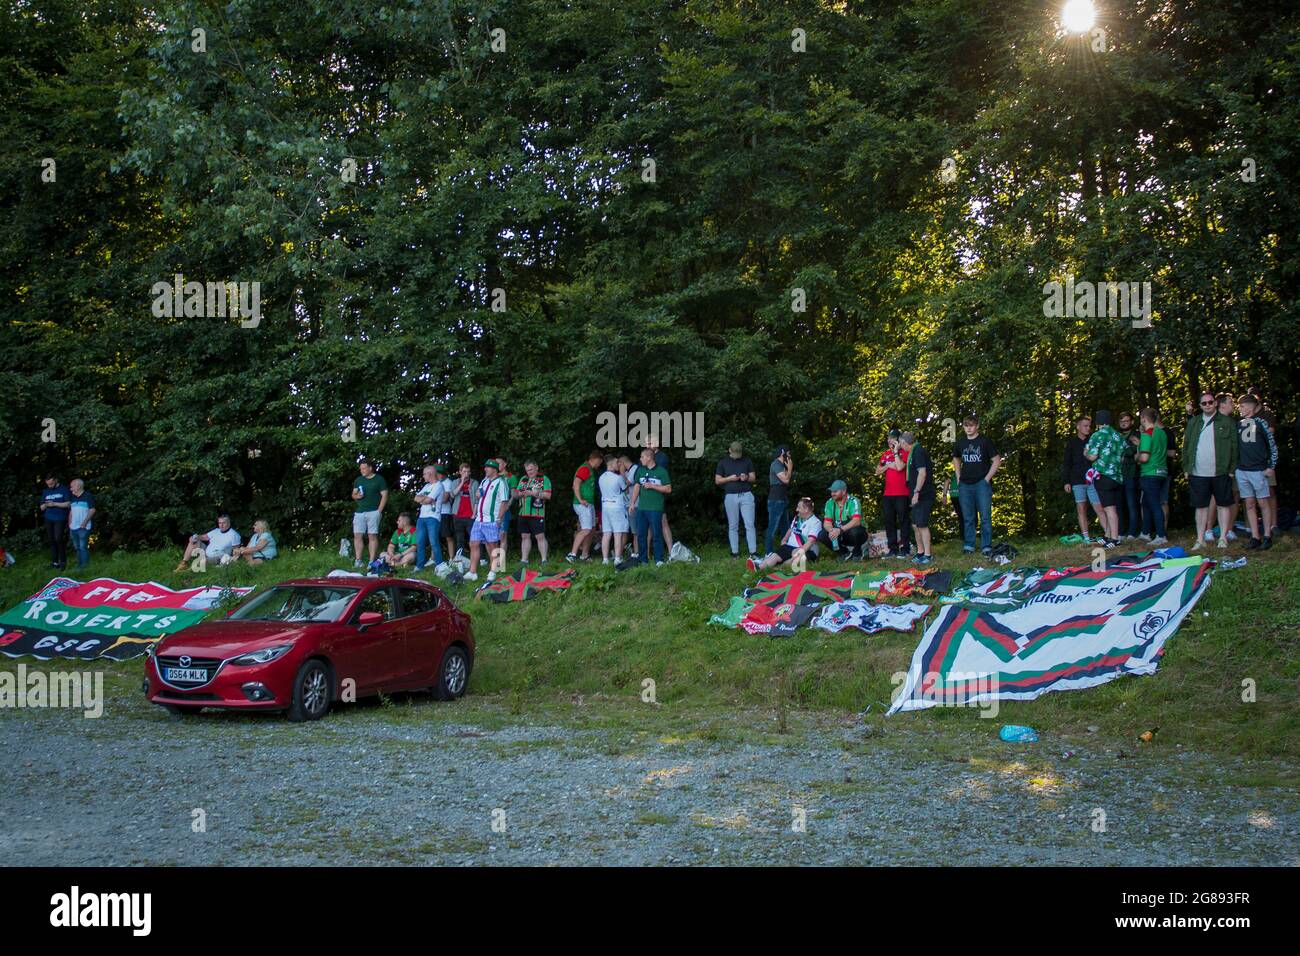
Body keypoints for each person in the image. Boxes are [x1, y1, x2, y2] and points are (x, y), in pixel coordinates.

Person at [1182, 390, 1238, 551]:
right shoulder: (1194, 422)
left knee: (1223, 504)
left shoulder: (1227, 422)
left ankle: (1223, 537)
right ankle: (1200, 539)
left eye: (1210, 402)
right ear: (1200, 406)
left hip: (1221, 471)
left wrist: (1231, 469)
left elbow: (1234, 447)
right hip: (1198, 472)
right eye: (1204, 403)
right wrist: (1186, 468)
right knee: (1200, 506)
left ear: (1215, 403)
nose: (1207, 405)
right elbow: (1186, 446)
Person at [951, 416, 1000, 555]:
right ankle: (969, 545)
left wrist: (987, 479)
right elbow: (956, 457)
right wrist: (958, 476)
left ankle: (986, 546)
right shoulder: (961, 442)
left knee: (985, 516)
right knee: (968, 517)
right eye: (966, 425)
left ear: (977, 426)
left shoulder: (985, 441)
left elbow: (996, 460)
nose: (968, 428)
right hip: (965, 484)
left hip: (981, 484)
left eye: (971, 425)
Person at [1235, 393, 1278, 550]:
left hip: (1258, 470)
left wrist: (1271, 466)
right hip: (1242, 469)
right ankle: (1255, 536)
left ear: (1251, 407)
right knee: (1249, 503)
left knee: (1263, 502)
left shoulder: (1261, 423)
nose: (1240, 409)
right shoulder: (1238, 425)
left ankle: (1267, 535)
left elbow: (1272, 446)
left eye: (1243, 406)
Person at [1083, 409, 1125, 548]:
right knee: (1110, 506)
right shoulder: (1118, 436)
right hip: (1118, 476)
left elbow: (1093, 456)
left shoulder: (1098, 435)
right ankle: (1107, 535)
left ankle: (1114, 538)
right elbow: (1123, 456)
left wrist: (1086, 453)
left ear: (1098, 422)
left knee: (1109, 508)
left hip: (1104, 475)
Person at [465, 459, 510, 581]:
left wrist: (499, 519)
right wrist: (478, 494)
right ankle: (472, 572)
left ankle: (493, 570)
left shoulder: (501, 482)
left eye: (488, 467)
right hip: (479, 519)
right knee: (473, 543)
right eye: (485, 467)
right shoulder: (484, 481)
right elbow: (479, 494)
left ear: (494, 469)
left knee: (492, 546)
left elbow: (504, 502)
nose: (485, 469)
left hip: (491, 520)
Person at [749, 497, 821, 572]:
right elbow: (790, 529)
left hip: (806, 550)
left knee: (795, 555)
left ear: (806, 509)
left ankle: (778, 569)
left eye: (799, 507)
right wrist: (784, 540)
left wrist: (793, 558)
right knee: (774, 556)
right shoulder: (797, 518)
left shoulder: (815, 522)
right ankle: (759, 568)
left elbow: (810, 542)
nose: (796, 509)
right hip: (789, 546)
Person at [1062, 416, 1104, 542]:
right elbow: (1066, 463)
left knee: (1099, 508)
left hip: (1092, 480)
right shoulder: (1071, 443)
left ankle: (1109, 534)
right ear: (1078, 427)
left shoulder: (1093, 440)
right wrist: (1066, 481)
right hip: (1076, 480)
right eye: (1085, 426)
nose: (1088, 428)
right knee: (1081, 508)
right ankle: (1086, 537)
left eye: (1089, 426)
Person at [1246, 387, 1280, 536]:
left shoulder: (1266, 414)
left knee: (1270, 492)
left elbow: (1270, 433)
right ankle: (1250, 527)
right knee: (1249, 497)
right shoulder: (1244, 417)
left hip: (1265, 461)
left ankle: (1273, 525)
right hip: (1249, 463)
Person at [716, 441, 758, 561]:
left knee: (749, 524)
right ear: (729, 450)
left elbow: (753, 478)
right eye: (735, 453)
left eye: (738, 453)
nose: (737, 455)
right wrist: (729, 478)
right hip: (730, 496)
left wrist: (746, 477)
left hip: (746, 495)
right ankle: (735, 553)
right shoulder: (723, 462)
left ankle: (753, 552)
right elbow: (717, 481)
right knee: (733, 525)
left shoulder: (747, 460)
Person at [629, 448, 672, 566]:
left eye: (642, 457)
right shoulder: (640, 471)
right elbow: (637, 486)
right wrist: (632, 503)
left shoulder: (661, 471)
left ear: (649, 458)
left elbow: (668, 488)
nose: (640, 459)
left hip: (655, 508)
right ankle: (643, 559)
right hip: (642, 508)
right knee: (641, 534)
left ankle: (659, 559)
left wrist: (653, 486)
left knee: (657, 534)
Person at [1136, 407, 1169, 546]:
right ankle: (1145, 533)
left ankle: (1161, 535)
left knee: (1155, 504)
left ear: (1143, 418)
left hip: (1149, 472)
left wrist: (1136, 456)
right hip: (1162, 472)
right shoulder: (1162, 433)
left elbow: (1144, 457)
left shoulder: (1147, 434)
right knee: (1147, 503)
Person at [900, 432, 934, 564]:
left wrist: (916, 492)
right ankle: (920, 553)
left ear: (904, 443)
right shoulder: (913, 452)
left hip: (923, 494)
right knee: (915, 525)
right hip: (915, 494)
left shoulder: (918, 451)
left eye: (901, 444)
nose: (901, 447)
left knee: (922, 524)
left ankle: (927, 555)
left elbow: (922, 473)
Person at [877, 429, 911, 558]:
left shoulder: (904, 452)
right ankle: (893, 549)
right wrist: (888, 465)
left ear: (897, 439)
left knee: (903, 521)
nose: (888, 440)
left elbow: (900, 467)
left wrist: (895, 455)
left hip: (902, 493)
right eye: (888, 438)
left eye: (891, 438)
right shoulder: (885, 454)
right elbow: (878, 471)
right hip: (888, 494)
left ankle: (905, 548)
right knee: (889, 521)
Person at [350, 460, 388, 568]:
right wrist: (357, 496)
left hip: (374, 511)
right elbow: (354, 494)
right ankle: (358, 560)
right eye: (361, 468)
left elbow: (385, 495)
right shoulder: (359, 480)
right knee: (357, 535)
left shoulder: (379, 479)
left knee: (372, 535)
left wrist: (379, 511)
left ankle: (371, 561)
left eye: (364, 468)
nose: (362, 470)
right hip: (360, 511)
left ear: (370, 468)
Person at [568, 450, 604, 563]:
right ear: (595, 459)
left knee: (592, 529)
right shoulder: (585, 469)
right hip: (582, 504)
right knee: (586, 529)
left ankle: (585, 555)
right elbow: (576, 484)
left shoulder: (590, 469)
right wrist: (580, 499)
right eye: (600, 462)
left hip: (589, 503)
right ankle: (572, 554)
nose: (599, 465)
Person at [516, 459, 552, 563]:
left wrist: (533, 493)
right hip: (523, 512)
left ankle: (544, 559)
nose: (529, 472)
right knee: (524, 536)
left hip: (537, 513)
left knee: (540, 536)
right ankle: (524, 560)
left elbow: (548, 495)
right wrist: (521, 494)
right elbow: (517, 493)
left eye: (531, 469)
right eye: (527, 470)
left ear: (536, 467)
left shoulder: (544, 479)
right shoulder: (523, 479)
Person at [821, 480, 867, 560]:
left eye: (835, 491)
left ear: (844, 491)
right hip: (840, 534)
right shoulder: (829, 502)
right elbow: (826, 522)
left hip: (854, 534)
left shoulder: (853, 501)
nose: (832, 494)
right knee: (822, 534)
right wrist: (831, 530)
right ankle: (844, 553)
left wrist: (840, 530)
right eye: (831, 491)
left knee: (856, 531)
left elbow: (856, 521)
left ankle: (857, 551)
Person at [175, 514, 241, 571]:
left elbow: (236, 550)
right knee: (194, 542)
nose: (221, 525)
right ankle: (183, 563)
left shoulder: (234, 535)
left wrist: (231, 560)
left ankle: (188, 571)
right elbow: (204, 537)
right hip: (206, 552)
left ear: (229, 523)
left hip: (219, 557)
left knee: (202, 562)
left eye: (224, 523)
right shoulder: (216, 531)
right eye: (220, 523)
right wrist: (194, 537)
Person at [413, 464, 446, 572]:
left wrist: (424, 499)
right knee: (420, 542)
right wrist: (425, 498)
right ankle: (419, 566)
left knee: (434, 542)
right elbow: (416, 498)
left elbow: (427, 500)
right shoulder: (426, 486)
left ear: (430, 474)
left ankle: (440, 565)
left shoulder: (438, 486)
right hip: (422, 517)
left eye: (424, 474)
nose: (423, 476)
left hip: (433, 517)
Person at [598, 453, 629, 564]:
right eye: (616, 462)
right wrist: (622, 473)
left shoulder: (601, 477)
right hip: (617, 506)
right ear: (610, 464)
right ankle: (617, 558)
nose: (618, 464)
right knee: (618, 533)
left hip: (605, 506)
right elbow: (626, 489)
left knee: (606, 533)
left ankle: (605, 559)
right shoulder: (618, 478)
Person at [645, 435, 675, 551]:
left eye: (650, 443)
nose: (648, 445)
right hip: (647, 494)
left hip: (658, 493)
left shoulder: (662, 457)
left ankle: (671, 551)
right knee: (647, 524)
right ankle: (645, 554)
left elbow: (655, 472)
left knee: (663, 521)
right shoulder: (644, 456)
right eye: (646, 443)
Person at [38, 474, 71, 569]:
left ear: (56, 480)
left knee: (58, 539)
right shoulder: (46, 491)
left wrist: (55, 504)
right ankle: (54, 562)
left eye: (51, 484)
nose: (50, 486)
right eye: (48, 484)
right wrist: (45, 505)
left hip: (60, 518)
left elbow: (68, 504)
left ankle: (63, 561)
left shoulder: (64, 489)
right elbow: (41, 507)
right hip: (48, 518)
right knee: (51, 540)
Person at [766, 446, 793, 553]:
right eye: (789, 453)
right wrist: (790, 468)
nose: (790, 456)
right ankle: (768, 553)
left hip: (782, 499)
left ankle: (785, 551)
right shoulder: (776, 464)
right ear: (783, 453)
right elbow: (786, 480)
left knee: (785, 528)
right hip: (776, 500)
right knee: (773, 528)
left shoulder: (781, 465)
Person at [448, 462, 478, 557]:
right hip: (457, 514)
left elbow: (477, 499)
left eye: (468, 472)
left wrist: (475, 513)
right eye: (464, 471)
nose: (466, 474)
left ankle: (479, 558)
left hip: (470, 515)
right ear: (460, 472)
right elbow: (452, 494)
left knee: (474, 538)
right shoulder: (455, 482)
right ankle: (460, 557)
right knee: (459, 538)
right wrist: (462, 482)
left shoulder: (474, 483)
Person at [67, 477, 97, 570]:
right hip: (73, 527)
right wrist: (69, 523)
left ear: (78, 486)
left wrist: (84, 522)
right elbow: (71, 511)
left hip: (83, 527)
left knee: (83, 547)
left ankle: (84, 567)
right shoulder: (72, 497)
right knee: (77, 548)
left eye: (72, 486)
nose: (70, 488)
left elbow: (92, 510)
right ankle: (79, 565)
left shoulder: (88, 495)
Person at [496, 456, 517, 563]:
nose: (497, 465)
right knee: (494, 534)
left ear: (505, 464)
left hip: (504, 509)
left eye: (499, 463)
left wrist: (508, 505)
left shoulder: (511, 477)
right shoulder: (493, 476)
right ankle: (494, 559)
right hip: (492, 510)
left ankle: (501, 560)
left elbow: (513, 495)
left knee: (503, 534)